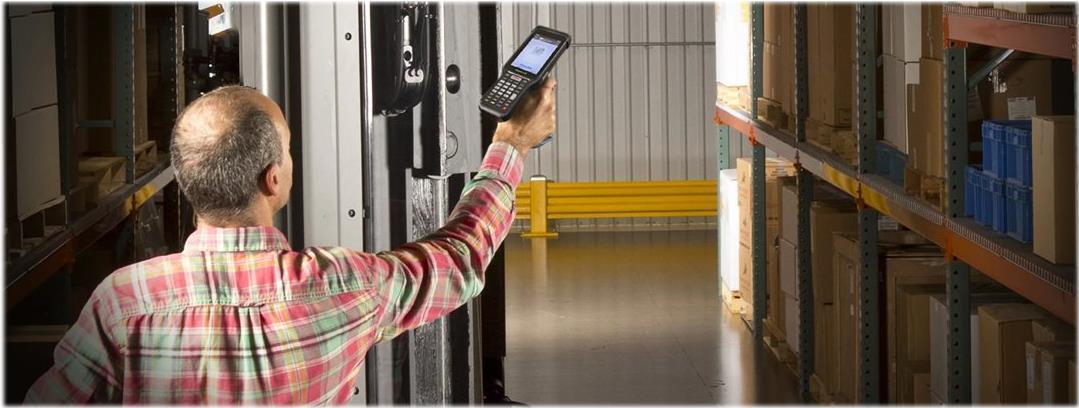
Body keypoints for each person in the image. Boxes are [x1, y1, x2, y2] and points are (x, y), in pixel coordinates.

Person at [25, 79, 557, 404]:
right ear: (273, 179)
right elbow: (459, 257)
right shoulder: (344, 287)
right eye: (287, 146)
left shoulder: (123, 304)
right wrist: (510, 145)